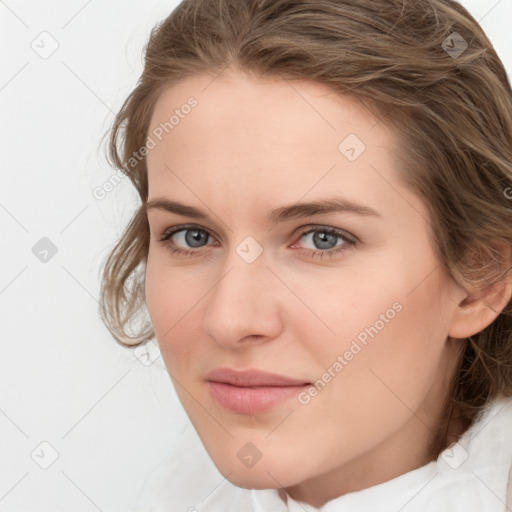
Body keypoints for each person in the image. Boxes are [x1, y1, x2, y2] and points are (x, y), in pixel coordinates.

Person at [98, 0, 512, 510]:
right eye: (191, 236)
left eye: (322, 238)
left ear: (480, 281)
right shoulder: (175, 491)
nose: (229, 320)